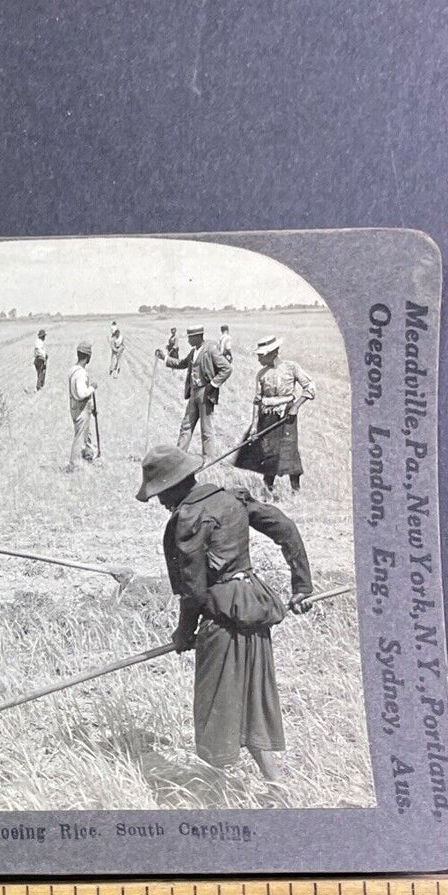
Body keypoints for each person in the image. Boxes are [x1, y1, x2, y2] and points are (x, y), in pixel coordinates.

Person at [135, 444, 314, 799]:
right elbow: (286, 528)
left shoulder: (186, 521)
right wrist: (302, 585)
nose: (159, 503)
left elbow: (194, 592)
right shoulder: (232, 500)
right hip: (253, 609)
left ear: (174, 486)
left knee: (215, 707)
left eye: (159, 494)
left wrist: (184, 633)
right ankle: (274, 785)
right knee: (252, 701)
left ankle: (216, 794)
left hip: (222, 619)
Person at [235, 336, 316, 498]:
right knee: (268, 452)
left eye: (261, 355)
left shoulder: (291, 368)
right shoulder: (261, 374)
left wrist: (295, 407)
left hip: (286, 416)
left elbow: (310, 388)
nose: (258, 358)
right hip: (267, 417)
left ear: (272, 353)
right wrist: (254, 425)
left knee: (289, 451)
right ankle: (268, 490)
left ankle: (295, 492)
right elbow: (257, 402)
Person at [162, 324, 232, 458]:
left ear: (198, 337)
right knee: (186, 425)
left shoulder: (210, 350)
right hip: (194, 393)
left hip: (206, 393)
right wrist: (164, 358)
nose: (188, 341)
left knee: (206, 429)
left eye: (190, 338)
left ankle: (209, 459)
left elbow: (227, 368)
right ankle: (179, 457)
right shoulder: (194, 351)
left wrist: (213, 384)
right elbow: (182, 363)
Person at [66, 341, 98, 471]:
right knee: (79, 437)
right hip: (81, 408)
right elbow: (81, 394)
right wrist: (92, 388)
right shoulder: (80, 373)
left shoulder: (73, 370)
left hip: (75, 407)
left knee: (85, 434)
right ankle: (74, 464)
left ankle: (88, 455)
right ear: (88, 357)